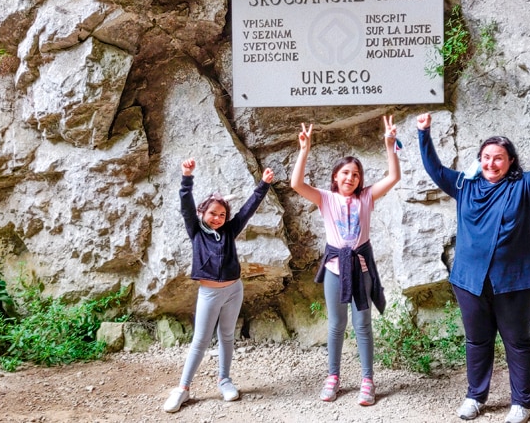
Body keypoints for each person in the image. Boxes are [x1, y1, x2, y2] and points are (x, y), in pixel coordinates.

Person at [417, 105, 530, 423]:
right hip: (470, 280)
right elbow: (435, 169)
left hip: (514, 281)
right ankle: (475, 397)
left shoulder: (523, 187)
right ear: (479, 160)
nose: (491, 163)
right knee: (477, 341)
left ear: (510, 161)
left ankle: (521, 403)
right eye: (486, 157)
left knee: (517, 341)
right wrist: (423, 134)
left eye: (498, 157)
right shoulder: (465, 186)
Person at [289, 115, 401, 406]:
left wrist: (389, 145)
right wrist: (304, 150)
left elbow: (393, 178)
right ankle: (333, 377)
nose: (350, 178)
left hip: (361, 267)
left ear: (360, 180)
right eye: (345, 173)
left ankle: (367, 380)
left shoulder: (366, 198)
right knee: (336, 324)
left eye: (355, 174)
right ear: (336, 177)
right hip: (335, 268)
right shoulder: (325, 198)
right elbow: (296, 183)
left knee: (362, 323)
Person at [162, 158, 274, 413]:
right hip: (210, 293)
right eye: (213, 213)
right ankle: (183, 388)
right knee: (200, 340)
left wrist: (263, 185)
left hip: (234, 290)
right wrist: (187, 176)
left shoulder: (229, 231)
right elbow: (186, 205)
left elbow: (247, 209)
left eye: (222, 215)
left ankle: (224, 380)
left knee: (227, 336)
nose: (218, 218)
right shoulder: (196, 231)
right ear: (203, 213)